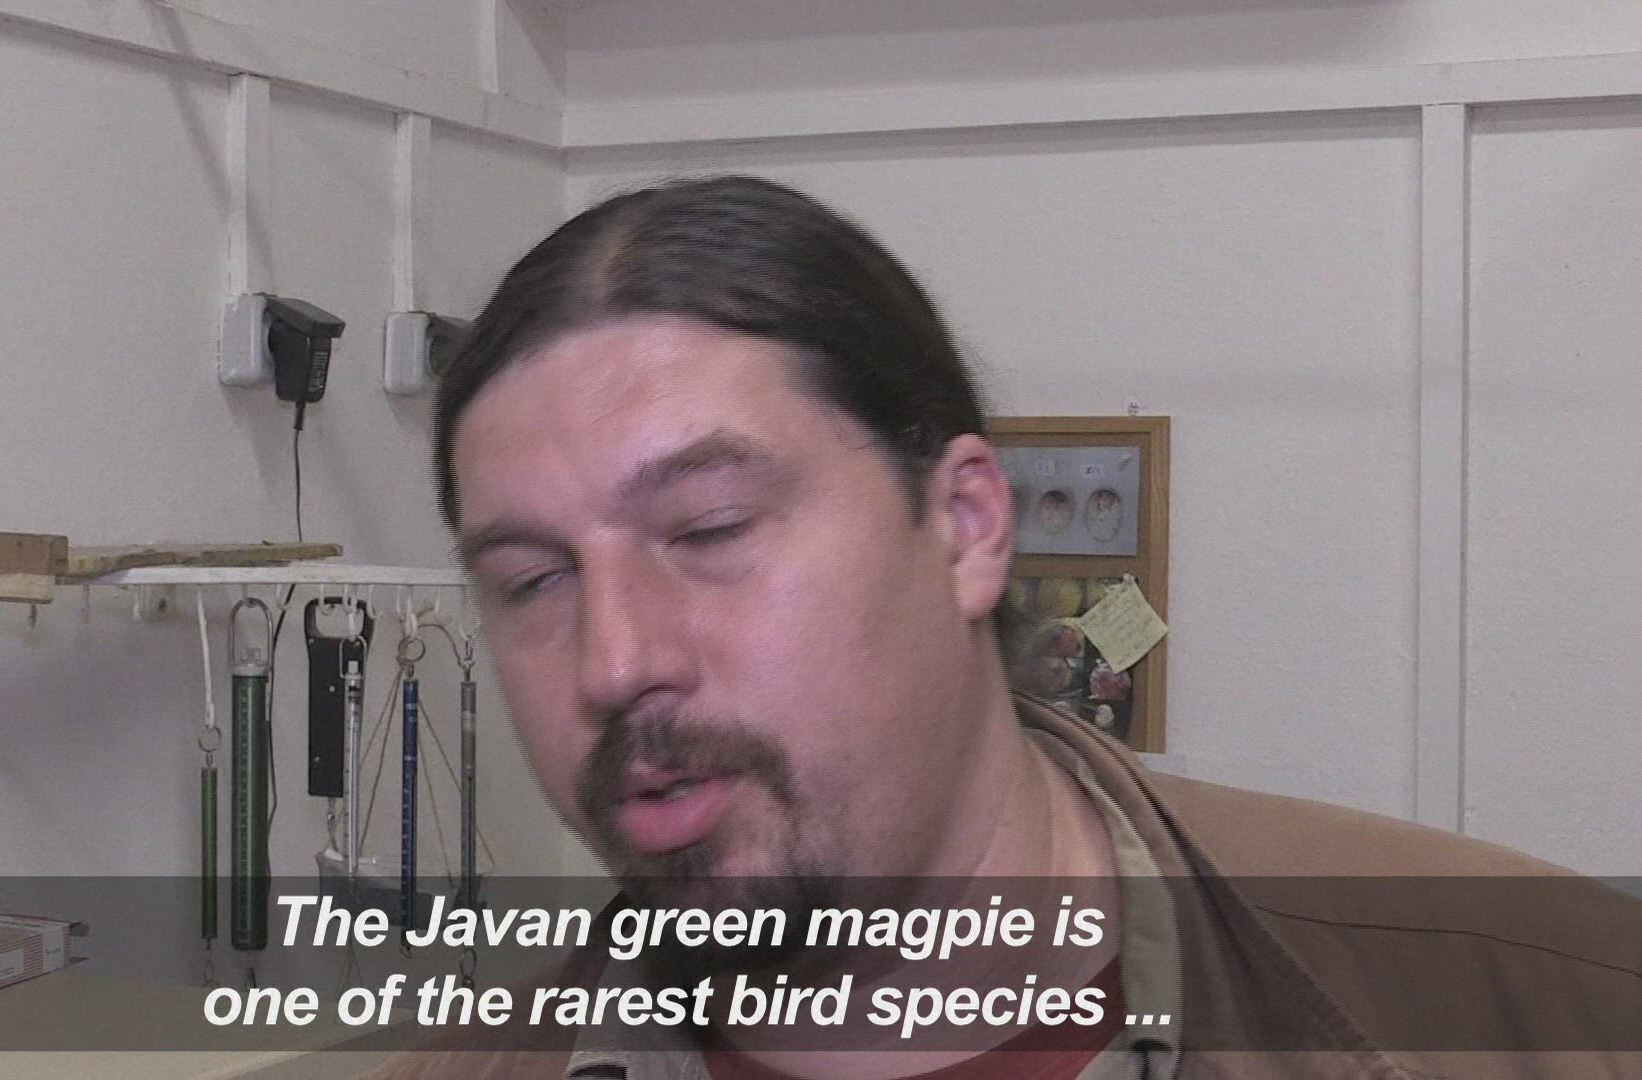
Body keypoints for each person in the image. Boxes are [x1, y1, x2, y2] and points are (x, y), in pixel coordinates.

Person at [367, 176, 1640, 1079]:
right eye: (532, 581)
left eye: (709, 529)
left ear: (967, 524)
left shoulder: (1547, 1010)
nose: (614, 661)